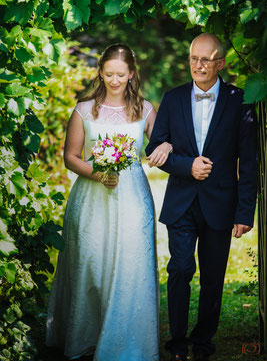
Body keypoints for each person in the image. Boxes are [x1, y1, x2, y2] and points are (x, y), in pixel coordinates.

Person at [46, 43, 172, 360]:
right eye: (108, 74)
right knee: (91, 261)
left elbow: (164, 142)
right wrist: (97, 174)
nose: (114, 80)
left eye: (120, 74)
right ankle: (87, 336)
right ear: (101, 72)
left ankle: (128, 341)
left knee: (132, 263)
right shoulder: (85, 109)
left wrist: (167, 145)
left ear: (131, 74)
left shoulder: (145, 110)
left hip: (132, 196)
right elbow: (70, 158)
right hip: (92, 197)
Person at [146, 33, 258, 361]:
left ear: (220, 63)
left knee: (213, 277)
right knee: (180, 269)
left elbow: (248, 161)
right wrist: (186, 165)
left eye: (206, 59)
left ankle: (203, 342)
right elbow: (155, 149)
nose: (199, 65)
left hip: (221, 204)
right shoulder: (173, 98)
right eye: (194, 58)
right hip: (181, 202)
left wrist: (244, 212)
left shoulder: (241, 102)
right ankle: (177, 342)